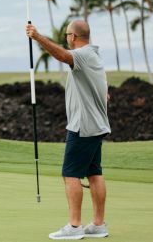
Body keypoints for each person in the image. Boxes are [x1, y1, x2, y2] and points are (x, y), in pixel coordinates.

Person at [26, 20, 111, 240]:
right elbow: (103, 91)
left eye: (67, 35)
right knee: (94, 173)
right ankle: (98, 225)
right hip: (95, 125)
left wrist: (37, 37)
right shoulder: (94, 57)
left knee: (70, 174)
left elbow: (63, 56)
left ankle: (74, 227)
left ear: (73, 36)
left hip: (83, 126)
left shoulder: (82, 55)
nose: (66, 38)